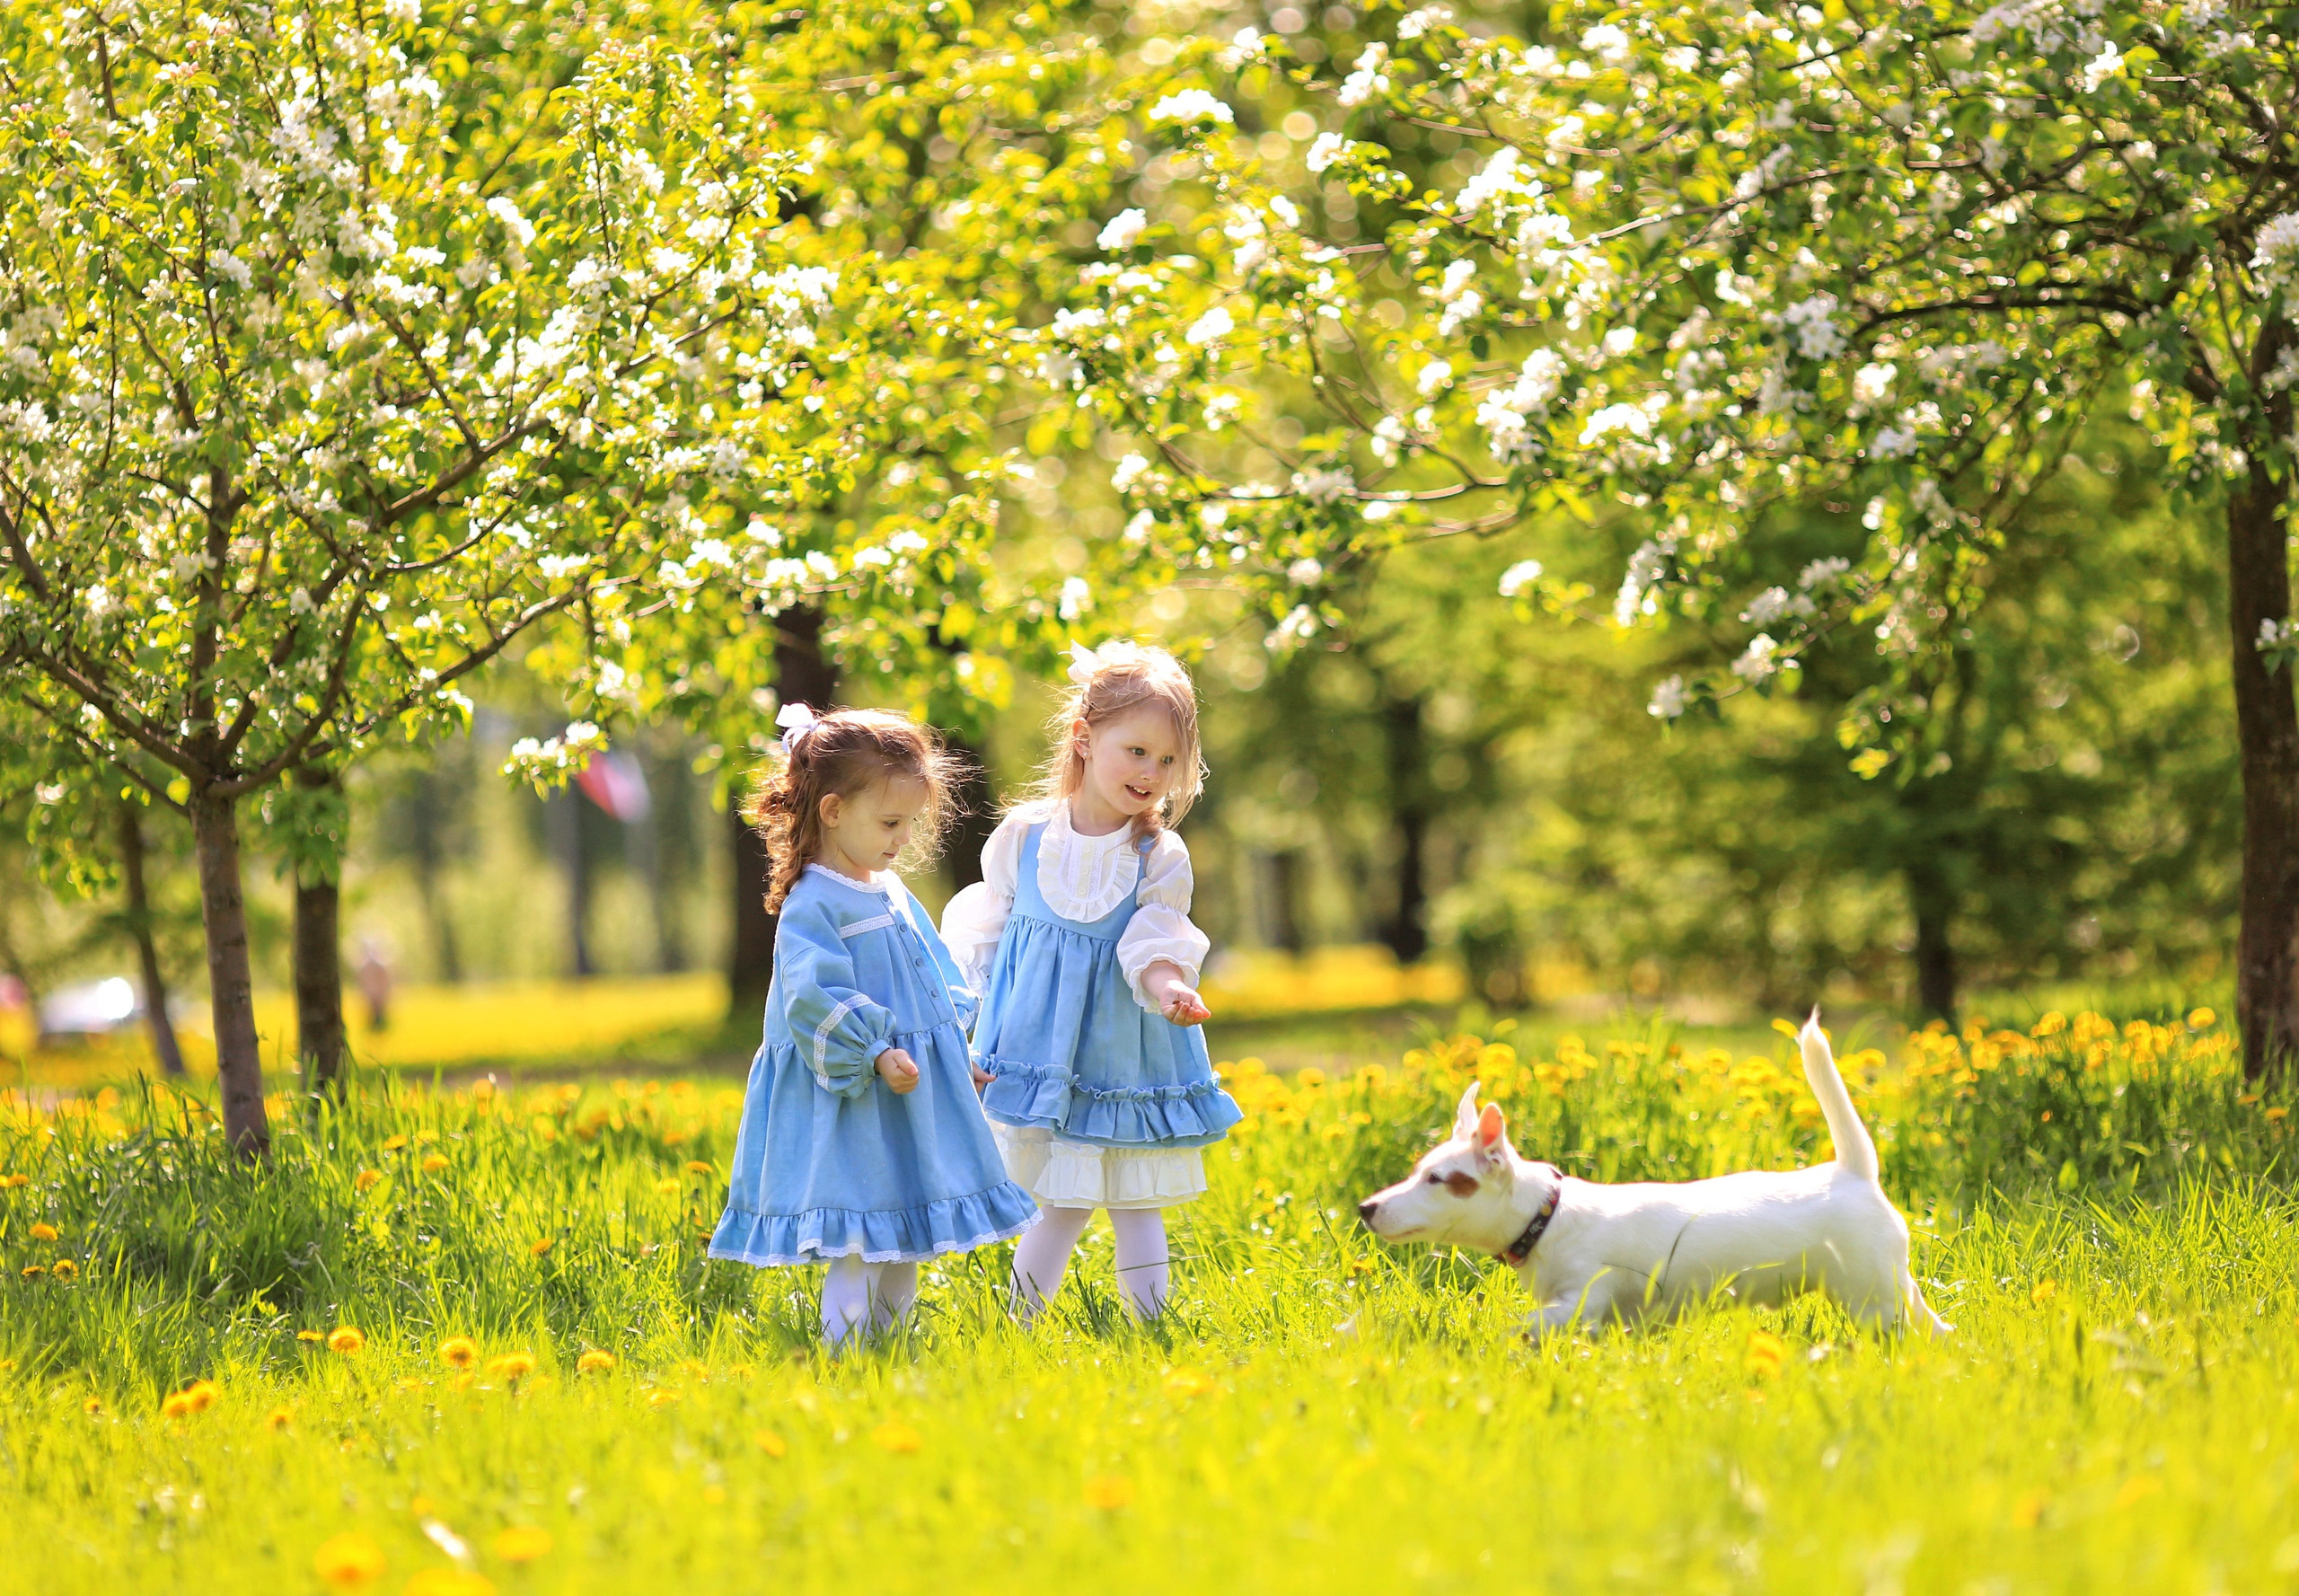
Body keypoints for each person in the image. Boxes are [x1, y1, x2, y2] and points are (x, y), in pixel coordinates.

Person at [707, 705, 1036, 1345]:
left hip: (905, 1096)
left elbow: (927, 975)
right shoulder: (814, 902)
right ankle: (843, 1347)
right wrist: (876, 1049)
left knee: (904, 1232)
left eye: (909, 823)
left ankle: (891, 1340)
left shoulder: (886, 889)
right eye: (890, 822)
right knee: (858, 1234)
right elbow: (813, 994)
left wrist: (950, 1054)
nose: (901, 838)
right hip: (852, 1100)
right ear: (832, 811)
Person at [942, 640, 1242, 1319]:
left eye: (1168, 760)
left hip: (1122, 1051)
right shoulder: (1024, 836)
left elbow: (1155, 939)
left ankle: (1150, 1323)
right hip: (1040, 1052)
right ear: (1084, 737)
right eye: (1136, 751)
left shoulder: (1157, 855)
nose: (1151, 772)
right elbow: (987, 933)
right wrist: (967, 1023)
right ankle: (1019, 1323)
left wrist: (1169, 988)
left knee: (1135, 1199)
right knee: (1063, 1200)